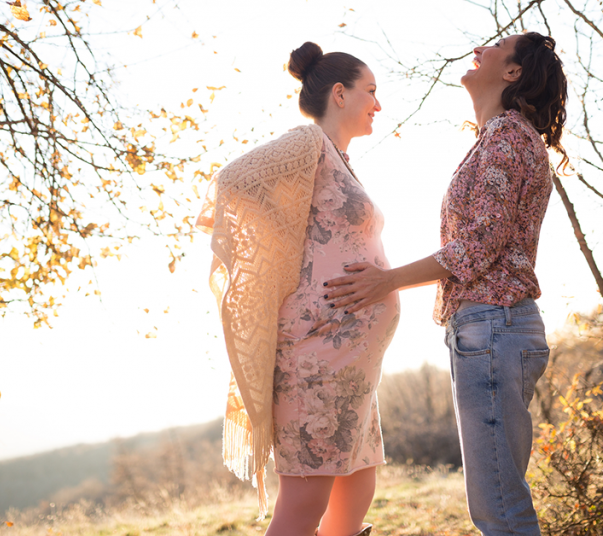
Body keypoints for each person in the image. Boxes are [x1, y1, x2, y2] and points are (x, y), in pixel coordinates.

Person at [323, 32, 568, 535]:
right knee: (498, 504)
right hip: (487, 330)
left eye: (499, 44)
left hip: (493, 327)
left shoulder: (506, 136)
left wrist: (385, 281)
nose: (482, 46)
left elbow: (478, 244)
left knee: (500, 510)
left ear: (513, 72)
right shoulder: (499, 138)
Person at [197, 41, 396, 536]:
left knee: (357, 488)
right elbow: (234, 181)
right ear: (339, 93)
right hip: (316, 356)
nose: (378, 103)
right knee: (306, 503)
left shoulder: (339, 160)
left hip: (350, 365)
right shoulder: (307, 143)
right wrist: (282, 263)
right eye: (370, 91)